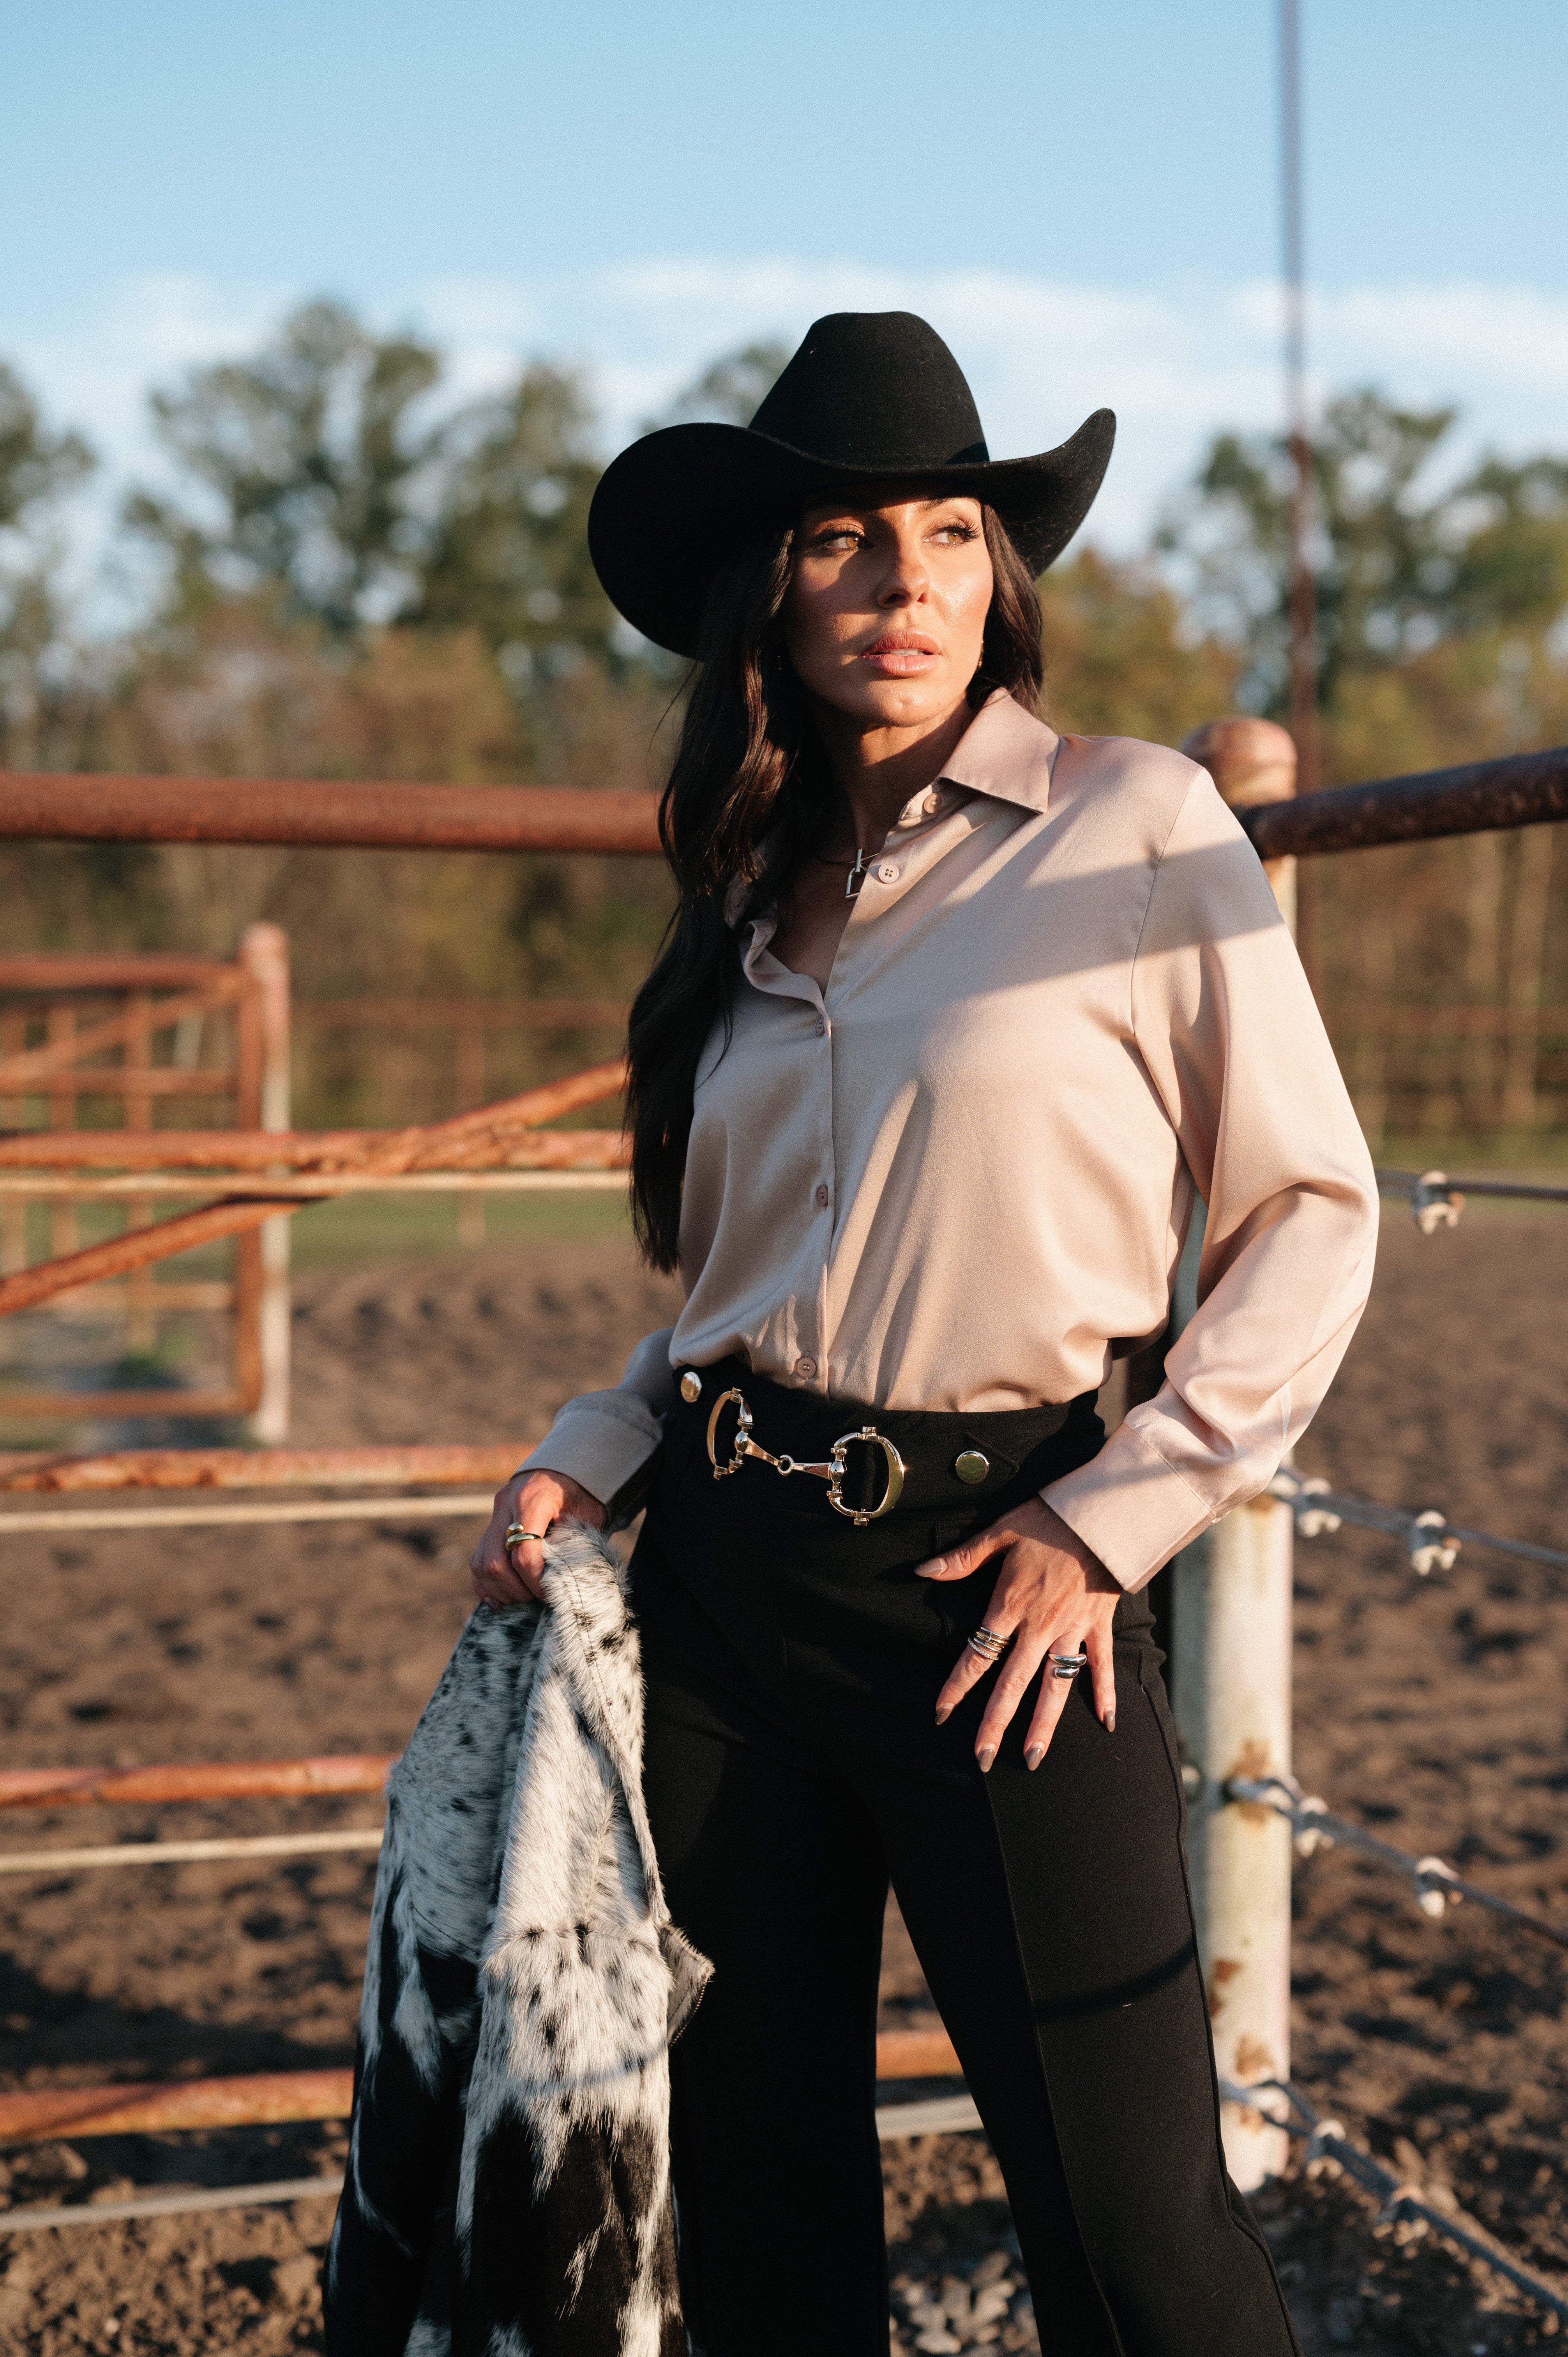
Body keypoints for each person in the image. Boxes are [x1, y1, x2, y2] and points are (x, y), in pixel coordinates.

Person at [470, 312, 1377, 2356]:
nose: (901, 590)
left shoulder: (1134, 825)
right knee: (758, 2208)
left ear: (1000, 574)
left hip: (1005, 1582)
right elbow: (727, 1297)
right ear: (765, 601)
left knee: (1133, 2233)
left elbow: (1309, 1216)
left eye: (950, 535)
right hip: (721, 1595)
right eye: (844, 543)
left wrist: (1121, 1515)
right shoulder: (747, 893)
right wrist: (595, 1444)